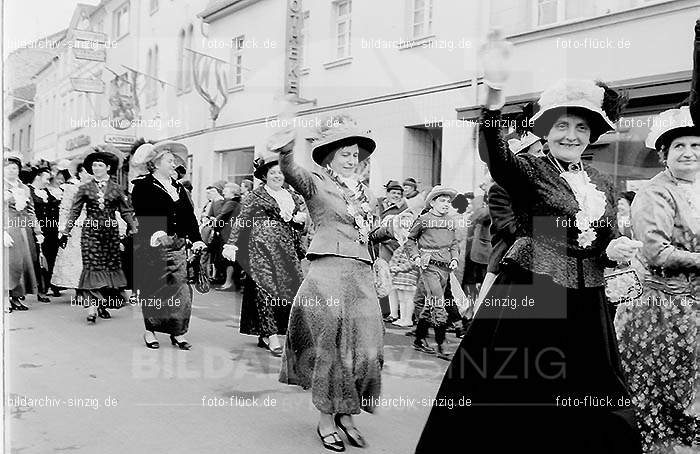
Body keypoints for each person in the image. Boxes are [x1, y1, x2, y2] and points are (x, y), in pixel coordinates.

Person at [415, 78, 643, 454]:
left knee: (587, 391)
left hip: (587, 300)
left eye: (581, 127)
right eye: (562, 126)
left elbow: (604, 237)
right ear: (546, 130)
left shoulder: (601, 181)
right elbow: (495, 155)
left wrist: (614, 247)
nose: (571, 136)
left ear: (592, 135)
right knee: (520, 384)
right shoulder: (530, 168)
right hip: (534, 289)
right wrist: (491, 108)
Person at [274, 113, 395, 452]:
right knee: (329, 345)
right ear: (330, 155)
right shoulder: (316, 181)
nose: (352, 159)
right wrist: (285, 150)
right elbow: (291, 173)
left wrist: (389, 231)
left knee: (366, 347)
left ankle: (348, 411)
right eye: (345, 153)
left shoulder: (368, 195)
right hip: (327, 270)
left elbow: (367, 233)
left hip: (360, 273)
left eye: (356, 155)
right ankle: (327, 416)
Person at [614, 104, 700, 453]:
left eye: (696, 146)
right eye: (679, 146)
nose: (689, 153)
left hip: (693, 310)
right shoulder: (656, 191)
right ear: (664, 153)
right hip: (663, 310)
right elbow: (656, 253)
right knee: (659, 400)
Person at [222, 155, 306, 356]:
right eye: (273, 172)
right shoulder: (255, 196)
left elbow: (297, 227)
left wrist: (298, 222)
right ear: (265, 176)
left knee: (289, 290)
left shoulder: (292, 197)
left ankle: (271, 332)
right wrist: (231, 245)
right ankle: (272, 337)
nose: (277, 176)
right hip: (261, 249)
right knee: (265, 290)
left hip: (286, 250)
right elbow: (242, 221)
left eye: (280, 172)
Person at [130, 141, 206, 350]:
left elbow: (189, 216)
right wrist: (157, 232)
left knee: (180, 290)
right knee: (154, 289)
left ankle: (178, 331)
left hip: (178, 246)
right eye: (169, 161)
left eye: (173, 161)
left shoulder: (178, 187)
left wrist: (196, 238)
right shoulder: (142, 186)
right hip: (153, 246)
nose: (174, 165)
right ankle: (150, 331)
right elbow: (142, 214)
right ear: (155, 164)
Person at [60, 147, 138, 323]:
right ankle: (92, 308)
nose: (96, 168)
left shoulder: (117, 189)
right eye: (94, 165)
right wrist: (66, 231)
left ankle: (102, 303)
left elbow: (126, 211)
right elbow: (75, 211)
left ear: (108, 168)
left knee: (108, 268)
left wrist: (133, 227)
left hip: (110, 234)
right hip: (90, 233)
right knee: (92, 267)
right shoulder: (85, 188)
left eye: (100, 165)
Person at [404, 186, 460, 360]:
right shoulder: (423, 219)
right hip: (428, 268)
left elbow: (454, 243)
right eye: (442, 200)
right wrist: (415, 257)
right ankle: (441, 345)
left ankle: (419, 340)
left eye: (448, 201)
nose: (446, 204)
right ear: (433, 202)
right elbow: (410, 240)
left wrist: (455, 258)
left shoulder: (450, 221)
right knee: (438, 304)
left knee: (430, 306)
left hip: (445, 269)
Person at [4, 154, 44, 311]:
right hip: (8, 228)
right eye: (7, 168)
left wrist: (38, 230)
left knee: (22, 263)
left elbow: (31, 211)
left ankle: (16, 297)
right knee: (9, 263)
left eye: (14, 168)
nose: (11, 171)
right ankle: (5, 298)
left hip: (23, 229)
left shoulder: (25, 188)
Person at [51, 163, 91, 290]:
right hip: (76, 226)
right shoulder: (72, 188)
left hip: (92, 226)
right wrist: (63, 228)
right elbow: (65, 209)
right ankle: (78, 287)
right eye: (85, 172)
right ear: (79, 174)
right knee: (76, 258)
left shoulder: (95, 188)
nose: (88, 174)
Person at [376, 180, 408, 321]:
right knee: (382, 275)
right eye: (393, 192)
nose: (396, 195)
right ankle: (385, 309)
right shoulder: (379, 205)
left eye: (398, 193)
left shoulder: (404, 208)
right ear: (387, 193)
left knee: (395, 278)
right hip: (382, 245)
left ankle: (397, 312)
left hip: (396, 246)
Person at [28, 167, 59, 301]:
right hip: (37, 229)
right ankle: (40, 290)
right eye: (46, 179)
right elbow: (29, 212)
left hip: (52, 230)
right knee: (39, 259)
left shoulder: (46, 192)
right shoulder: (28, 191)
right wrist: (36, 230)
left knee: (50, 257)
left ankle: (47, 286)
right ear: (38, 177)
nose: (48, 182)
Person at [215, 182, 242, 290]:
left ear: (233, 192)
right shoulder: (239, 203)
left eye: (226, 190)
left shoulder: (231, 203)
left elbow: (221, 218)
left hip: (228, 234)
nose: (223, 191)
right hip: (236, 233)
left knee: (228, 259)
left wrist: (214, 225)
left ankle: (228, 283)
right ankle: (233, 283)